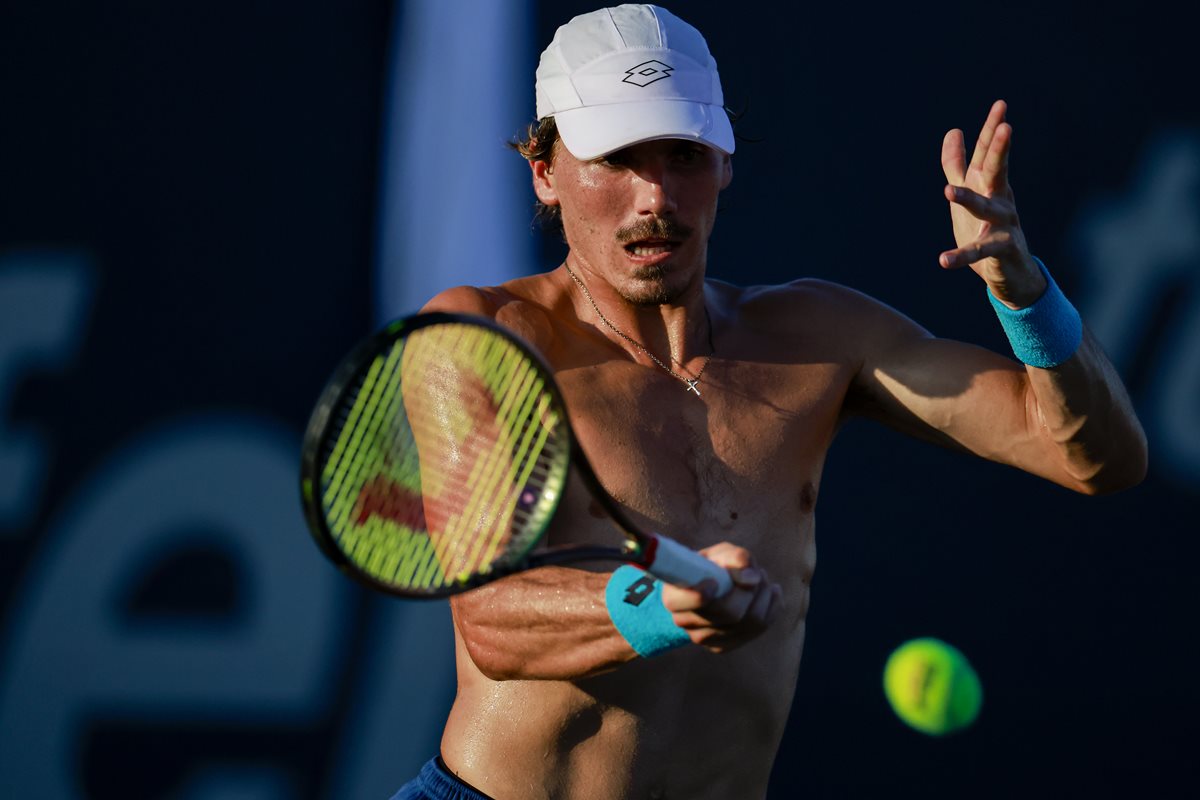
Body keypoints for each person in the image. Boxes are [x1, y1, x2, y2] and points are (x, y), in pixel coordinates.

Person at [392, 4, 1147, 799]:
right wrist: (663, 608)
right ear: (545, 171)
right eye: (615, 158)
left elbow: (1096, 458)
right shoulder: (482, 336)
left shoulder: (820, 335)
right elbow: (493, 619)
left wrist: (1023, 293)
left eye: (683, 154)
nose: (654, 195)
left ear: (724, 162)